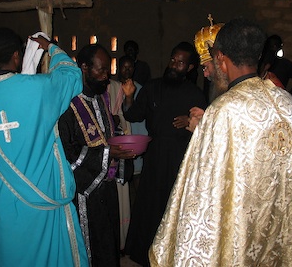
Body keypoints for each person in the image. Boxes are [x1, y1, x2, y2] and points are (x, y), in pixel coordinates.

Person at [150, 18, 292, 266]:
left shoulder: (224, 109)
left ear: (220, 57)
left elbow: (203, 190)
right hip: (276, 222)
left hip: (241, 224)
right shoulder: (285, 101)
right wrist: (206, 126)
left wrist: (203, 129)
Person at [0, 28, 88, 267]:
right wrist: (51, 47)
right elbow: (72, 75)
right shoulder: (40, 88)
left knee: (11, 255)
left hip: (3, 202)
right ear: (17, 56)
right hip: (42, 196)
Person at [122, 41, 207, 266]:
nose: (174, 65)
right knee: (150, 206)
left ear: (189, 68)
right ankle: (145, 253)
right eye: (173, 59)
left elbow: (207, 130)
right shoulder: (152, 87)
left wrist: (191, 121)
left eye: (180, 63)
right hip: (155, 155)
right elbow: (133, 115)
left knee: (174, 206)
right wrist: (129, 96)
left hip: (181, 158)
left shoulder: (195, 93)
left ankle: (174, 254)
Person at [58, 43, 135, 267]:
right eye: (100, 70)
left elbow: (105, 134)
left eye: (107, 70)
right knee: (92, 248)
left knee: (108, 243)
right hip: (86, 194)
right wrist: (108, 152)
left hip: (107, 188)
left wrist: (120, 140)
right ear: (83, 68)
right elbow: (67, 152)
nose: (106, 76)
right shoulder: (68, 106)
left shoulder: (101, 98)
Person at [107, 55, 148, 253]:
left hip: (136, 137)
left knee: (138, 189)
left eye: (130, 67)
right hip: (118, 142)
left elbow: (137, 115)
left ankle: (135, 231)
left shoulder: (140, 88)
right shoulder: (110, 87)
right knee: (120, 189)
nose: (126, 71)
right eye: (123, 67)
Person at [264, 34, 292, 100]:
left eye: (275, 46)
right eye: (271, 46)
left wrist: (290, 98)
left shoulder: (285, 64)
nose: (272, 49)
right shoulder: (257, 63)